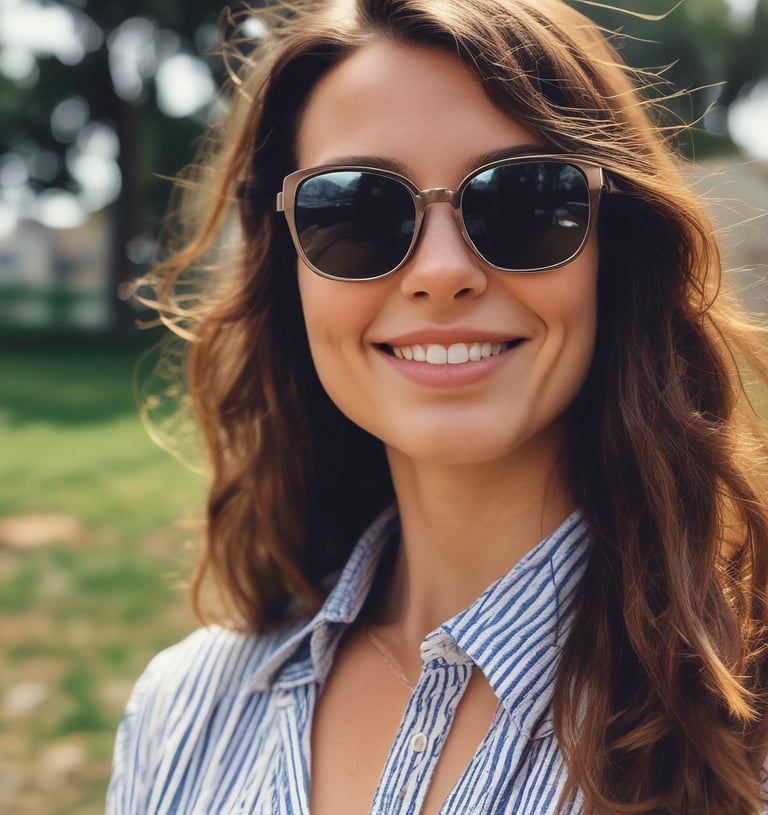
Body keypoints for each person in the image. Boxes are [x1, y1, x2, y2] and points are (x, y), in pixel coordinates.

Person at [107, 0, 768, 812]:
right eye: (354, 210)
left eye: (525, 200)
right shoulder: (180, 712)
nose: (441, 271)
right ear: (291, 275)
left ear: (615, 250)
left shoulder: (747, 728)